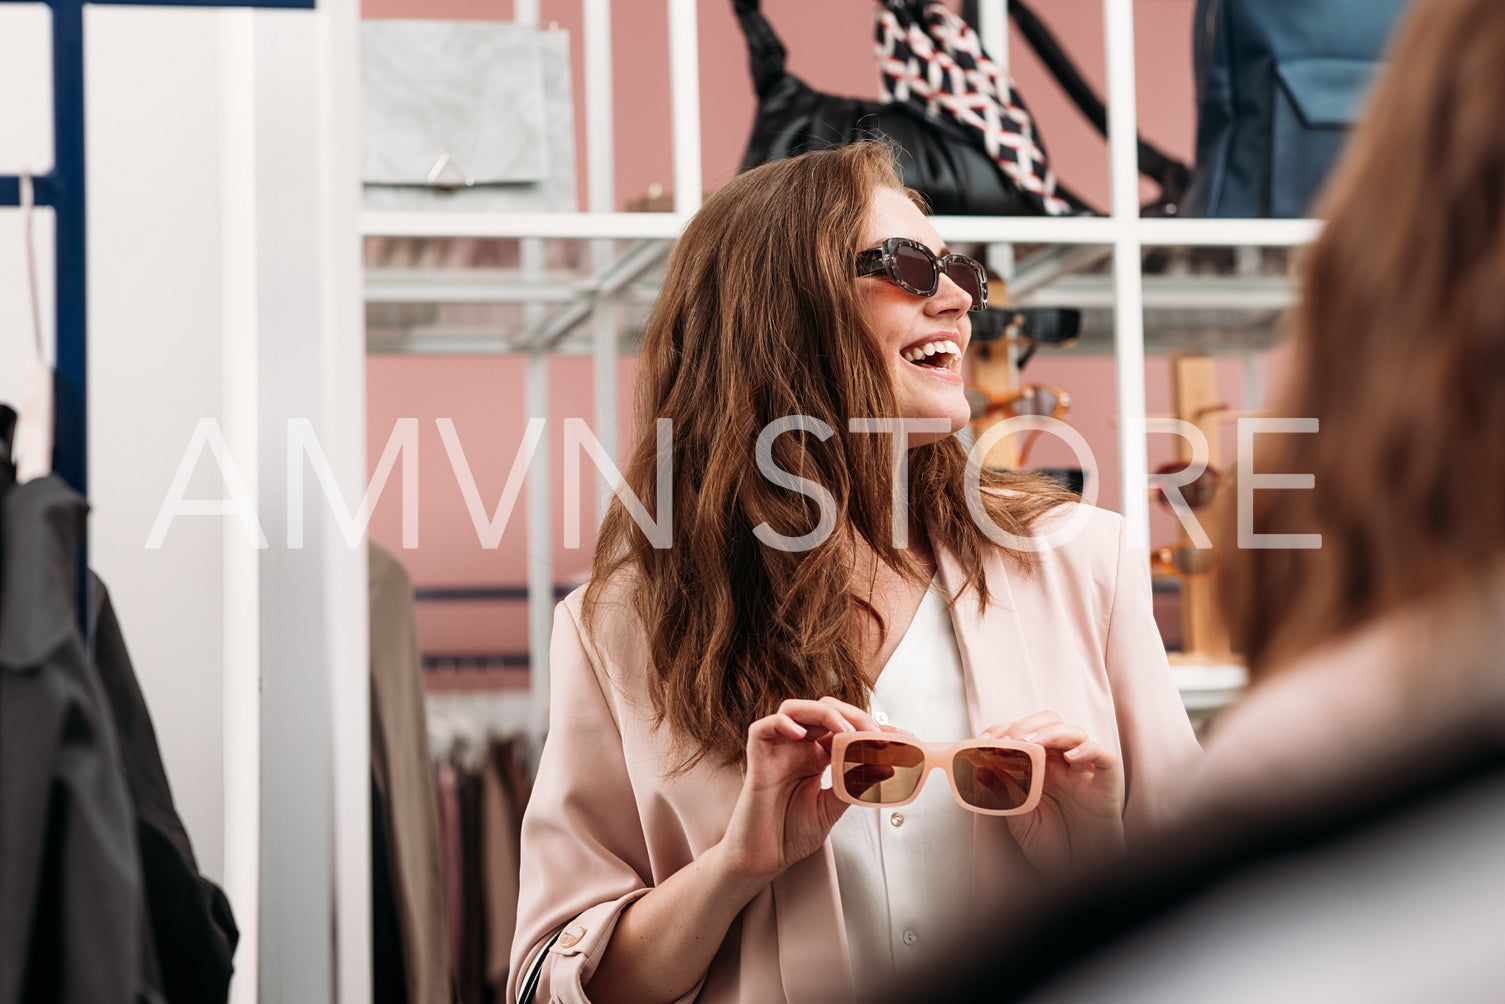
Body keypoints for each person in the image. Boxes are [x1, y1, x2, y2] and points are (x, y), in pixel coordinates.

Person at [507, 140, 1200, 1004]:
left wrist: (1095, 856)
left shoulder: (1083, 563)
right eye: (907, 266)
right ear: (777, 309)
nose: (954, 299)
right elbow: (553, 985)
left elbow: (1222, 930)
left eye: (959, 271)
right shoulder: (620, 628)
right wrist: (734, 866)